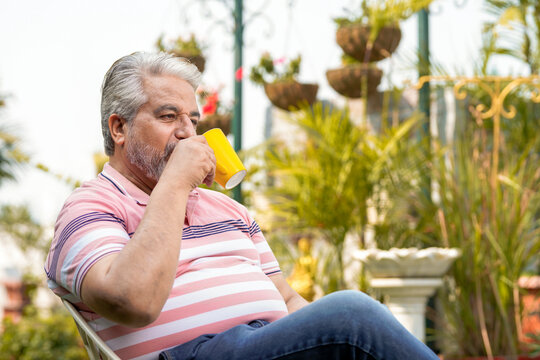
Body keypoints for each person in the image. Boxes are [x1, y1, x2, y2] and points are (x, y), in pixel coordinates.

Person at [44, 52, 439, 360]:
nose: (186, 132)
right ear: (119, 128)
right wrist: (176, 182)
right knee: (354, 314)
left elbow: (285, 299)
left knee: (348, 326)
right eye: (168, 116)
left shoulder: (228, 211)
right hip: (189, 354)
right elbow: (133, 300)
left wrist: (323, 338)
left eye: (193, 120)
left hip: (263, 346)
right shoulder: (89, 207)